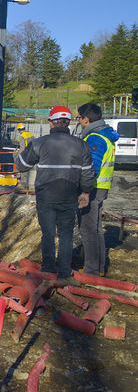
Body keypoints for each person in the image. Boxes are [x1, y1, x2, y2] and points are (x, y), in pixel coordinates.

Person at [15, 105, 94, 281]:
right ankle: (65, 272)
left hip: (46, 196)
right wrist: (86, 193)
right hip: (69, 195)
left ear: (51, 122)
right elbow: (88, 173)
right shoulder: (81, 145)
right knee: (66, 235)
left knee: (48, 234)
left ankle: (49, 268)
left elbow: (21, 166)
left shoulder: (39, 143)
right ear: (68, 123)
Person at [77, 103, 118, 276]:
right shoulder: (105, 135)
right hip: (100, 187)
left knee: (87, 229)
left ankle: (91, 270)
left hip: (92, 189)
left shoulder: (94, 138)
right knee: (96, 229)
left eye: (79, 118)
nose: (78, 121)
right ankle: (99, 268)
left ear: (86, 119)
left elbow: (91, 167)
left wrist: (84, 191)